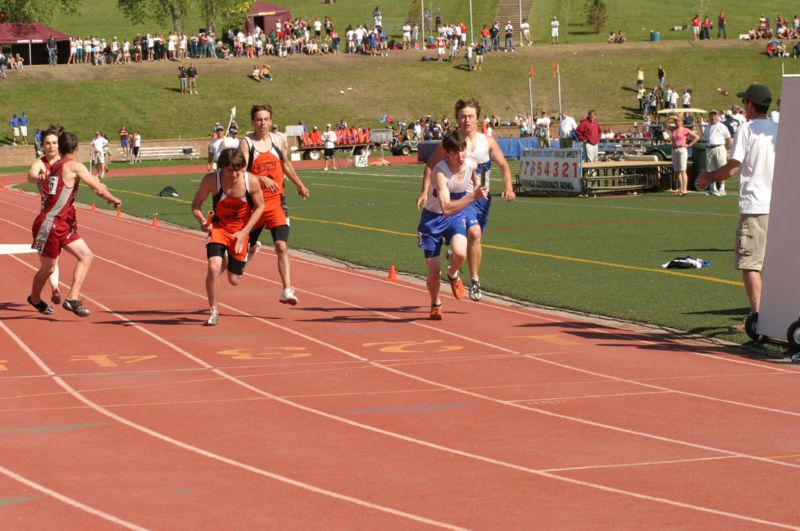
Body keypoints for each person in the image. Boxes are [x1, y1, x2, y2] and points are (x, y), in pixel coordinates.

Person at [416, 98, 516, 302]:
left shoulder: (487, 142)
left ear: (478, 119)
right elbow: (429, 166)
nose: (466, 120)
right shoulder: (451, 143)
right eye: (462, 117)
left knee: (476, 238)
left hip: (483, 198)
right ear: (457, 119)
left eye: (470, 116)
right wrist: (425, 191)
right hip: (461, 198)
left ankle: (455, 265)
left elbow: (504, 165)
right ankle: (475, 280)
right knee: (474, 232)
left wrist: (508, 187)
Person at [696, 84, 778, 329]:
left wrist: (707, 177)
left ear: (750, 104)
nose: (743, 106)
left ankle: (759, 318)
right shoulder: (778, 129)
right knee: (772, 264)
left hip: (756, 204)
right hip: (778, 205)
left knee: (750, 264)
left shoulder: (747, 129)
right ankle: (774, 314)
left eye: (745, 102)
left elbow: (733, 166)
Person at [28, 131, 122, 317]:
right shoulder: (73, 166)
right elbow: (97, 189)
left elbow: (92, 182)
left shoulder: (57, 166)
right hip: (50, 223)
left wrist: (101, 187)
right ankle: (35, 298)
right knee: (49, 268)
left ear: (60, 149)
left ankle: (71, 298)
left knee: (86, 256)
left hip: (63, 223)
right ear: (77, 148)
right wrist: (113, 198)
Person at [240, 104, 310, 305]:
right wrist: (261, 179)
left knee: (281, 245)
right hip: (255, 205)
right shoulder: (247, 143)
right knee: (234, 273)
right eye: (259, 119)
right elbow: (241, 173)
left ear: (271, 121)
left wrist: (299, 184)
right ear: (253, 122)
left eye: (266, 119)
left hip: (277, 203)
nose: (263, 123)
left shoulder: (277, 139)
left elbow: (285, 163)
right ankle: (250, 249)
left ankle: (287, 290)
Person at [417, 130, 488, 319]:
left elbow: (475, 175)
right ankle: (435, 302)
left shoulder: (470, 162)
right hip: (433, 219)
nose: (460, 156)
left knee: (460, 253)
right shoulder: (441, 173)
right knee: (433, 271)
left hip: (455, 217)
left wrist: (479, 184)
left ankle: (453, 273)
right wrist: (473, 196)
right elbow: (446, 207)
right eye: (455, 152)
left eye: (462, 150)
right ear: (446, 153)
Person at [191, 148, 264, 326]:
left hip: (241, 231)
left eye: (238, 170)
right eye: (230, 170)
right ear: (222, 168)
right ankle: (214, 311)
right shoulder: (211, 180)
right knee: (213, 267)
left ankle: (252, 251)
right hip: (219, 229)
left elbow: (260, 207)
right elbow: (196, 205)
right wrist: (202, 221)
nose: (235, 174)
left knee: (234, 280)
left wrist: (244, 233)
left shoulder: (251, 181)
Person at [26, 125, 64, 305]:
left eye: (54, 143)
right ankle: (55, 289)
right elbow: (31, 175)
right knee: (50, 263)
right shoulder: (40, 163)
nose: (51, 146)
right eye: (47, 143)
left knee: (56, 260)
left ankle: (56, 290)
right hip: (46, 219)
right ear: (42, 145)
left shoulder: (64, 162)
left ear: (59, 144)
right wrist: (42, 177)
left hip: (65, 218)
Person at [702, 110, 732, 196]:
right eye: (711, 116)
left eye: (715, 116)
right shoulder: (707, 127)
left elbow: (728, 139)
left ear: (718, 117)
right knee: (710, 169)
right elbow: (704, 138)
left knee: (722, 168)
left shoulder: (722, 126)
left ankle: (722, 189)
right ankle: (713, 189)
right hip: (709, 149)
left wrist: (724, 148)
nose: (713, 117)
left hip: (719, 147)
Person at [668, 114, 699, 195]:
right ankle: (681, 188)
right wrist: (670, 117)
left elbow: (696, 137)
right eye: (676, 121)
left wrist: (689, 145)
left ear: (682, 122)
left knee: (683, 170)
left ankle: (685, 189)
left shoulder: (686, 130)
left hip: (682, 149)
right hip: (674, 149)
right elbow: (664, 124)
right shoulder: (673, 129)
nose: (677, 123)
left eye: (679, 121)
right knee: (677, 171)